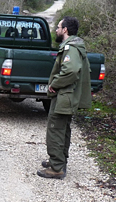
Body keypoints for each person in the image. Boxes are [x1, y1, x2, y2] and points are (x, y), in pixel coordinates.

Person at [37, 16, 92, 179]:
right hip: (67, 97)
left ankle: (57, 167)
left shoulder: (71, 48)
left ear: (65, 30)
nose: (56, 30)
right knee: (62, 129)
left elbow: (71, 70)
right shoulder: (74, 45)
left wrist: (55, 84)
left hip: (64, 96)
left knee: (55, 130)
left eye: (58, 27)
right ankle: (59, 161)